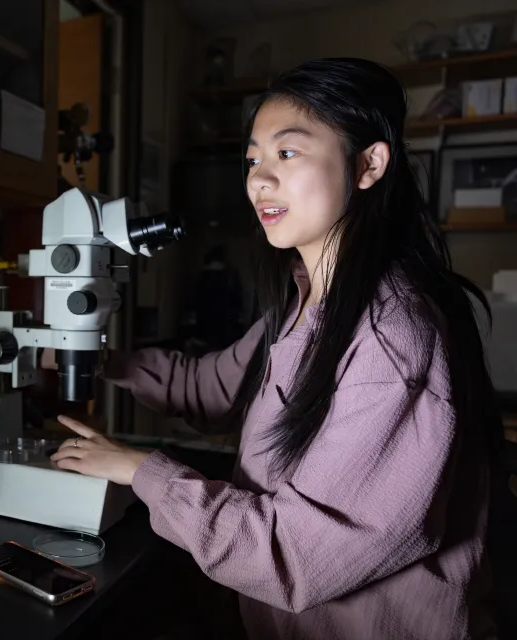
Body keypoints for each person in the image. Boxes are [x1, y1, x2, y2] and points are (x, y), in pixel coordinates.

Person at [49, 58, 503, 639]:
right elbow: (211, 387)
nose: (259, 180)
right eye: (253, 159)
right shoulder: (306, 303)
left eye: (287, 153)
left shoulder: (392, 341)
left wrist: (142, 471)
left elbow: (294, 555)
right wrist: (89, 354)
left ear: (368, 164)